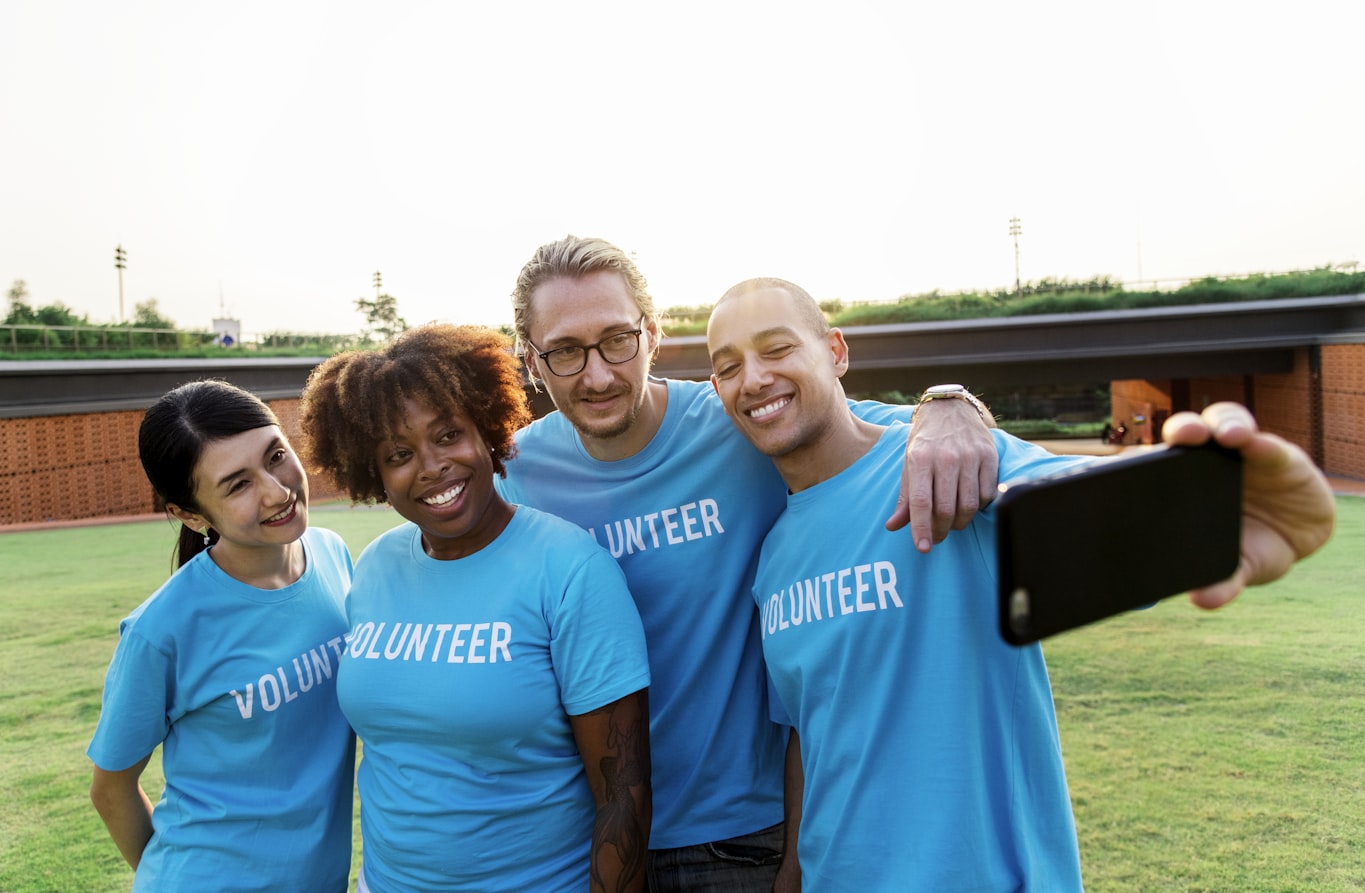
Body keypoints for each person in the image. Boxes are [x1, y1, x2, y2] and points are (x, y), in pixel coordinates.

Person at [704, 277, 1337, 891]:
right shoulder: (774, 557)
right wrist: (792, 874)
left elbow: (1089, 511)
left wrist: (1229, 505)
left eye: (778, 348)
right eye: (728, 366)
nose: (753, 378)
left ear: (835, 351)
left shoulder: (946, 463)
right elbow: (808, 731)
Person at [497, 234, 1000, 890]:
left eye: (616, 339)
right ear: (531, 361)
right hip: (589, 837)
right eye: (564, 351)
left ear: (651, 333)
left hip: (744, 839)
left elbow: (869, 429)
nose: (596, 375)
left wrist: (948, 404)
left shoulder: (740, 419)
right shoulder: (514, 474)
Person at [297, 323, 652, 893]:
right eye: (398, 454)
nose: (432, 466)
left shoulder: (569, 569)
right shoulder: (376, 567)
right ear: (375, 474)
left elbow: (623, 795)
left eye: (448, 435)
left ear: (488, 431)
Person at [86, 380, 356, 892]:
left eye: (276, 456)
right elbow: (111, 788)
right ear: (189, 514)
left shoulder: (332, 554)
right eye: (237, 485)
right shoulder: (161, 630)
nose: (277, 491)